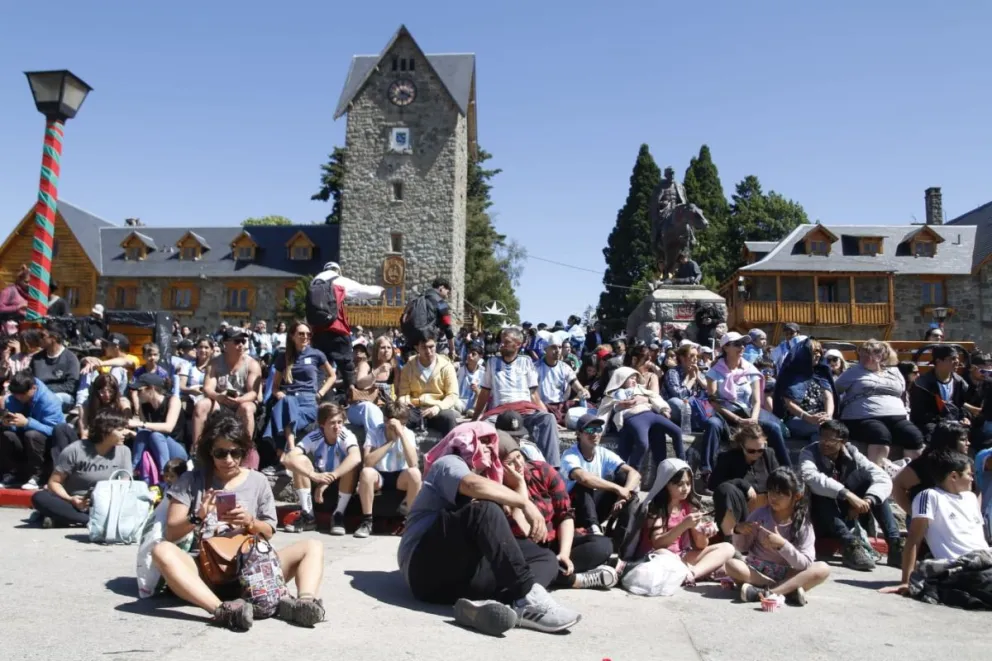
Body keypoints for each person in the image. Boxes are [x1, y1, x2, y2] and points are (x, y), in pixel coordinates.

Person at [399, 421, 581, 636]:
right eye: (481, 441)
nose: (488, 447)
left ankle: (498, 606)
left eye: (490, 442)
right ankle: (527, 598)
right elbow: (472, 486)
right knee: (483, 509)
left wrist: (520, 491)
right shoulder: (448, 462)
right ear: (463, 440)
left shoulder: (489, 478)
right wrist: (524, 503)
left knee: (544, 557)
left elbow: (519, 535)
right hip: (424, 569)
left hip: (457, 581)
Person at [150, 411, 326, 631]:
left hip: (254, 571)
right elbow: (172, 533)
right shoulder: (191, 480)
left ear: (244, 450)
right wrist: (198, 516)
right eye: (220, 453)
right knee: (162, 550)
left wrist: (250, 521)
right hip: (206, 572)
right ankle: (221, 610)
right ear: (209, 451)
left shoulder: (258, 481)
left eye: (236, 452)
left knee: (313, 546)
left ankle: (304, 603)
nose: (229, 460)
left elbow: (269, 531)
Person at [498, 432, 618, 589]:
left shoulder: (542, 471)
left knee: (602, 546)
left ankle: (556, 570)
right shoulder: (496, 489)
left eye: (519, 457)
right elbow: (523, 531)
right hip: (528, 552)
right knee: (520, 567)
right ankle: (572, 580)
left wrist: (564, 553)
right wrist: (520, 488)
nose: (519, 465)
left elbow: (565, 514)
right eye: (510, 463)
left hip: (554, 541)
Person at [882, 451, 990, 597]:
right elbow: (914, 540)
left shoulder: (971, 498)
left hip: (986, 560)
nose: (972, 479)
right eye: (969, 474)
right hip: (961, 567)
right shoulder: (930, 496)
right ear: (953, 476)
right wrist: (906, 581)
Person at [799, 420, 901, 571]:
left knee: (870, 482)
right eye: (822, 437)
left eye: (830, 439)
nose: (824, 443)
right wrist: (849, 496)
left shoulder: (852, 453)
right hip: (824, 516)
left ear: (843, 442)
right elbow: (811, 477)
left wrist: (867, 501)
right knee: (820, 490)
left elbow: (881, 477)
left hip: (850, 513)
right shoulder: (809, 452)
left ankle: (895, 544)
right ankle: (850, 545)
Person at [724, 467, 831, 606]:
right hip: (758, 571)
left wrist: (782, 545)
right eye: (771, 491)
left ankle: (766, 593)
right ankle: (788, 589)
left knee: (823, 568)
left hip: (787, 572)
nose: (773, 497)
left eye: (780, 493)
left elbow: (805, 564)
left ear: (796, 496)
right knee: (732, 565)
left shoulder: (803, 524)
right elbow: (742, 547)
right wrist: (739, 531)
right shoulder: (760, 515)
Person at [472, 327, 563, 468]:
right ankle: (485, 469)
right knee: (482, 428)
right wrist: (475, 418)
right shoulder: (491, 362)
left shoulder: (526, 362)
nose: (501, 344)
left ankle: (551, 470)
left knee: (548, 419)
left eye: (506, 342)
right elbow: (484, 393)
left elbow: (534, 394)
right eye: (501, 341)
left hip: (525, 411)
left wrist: (546, 414)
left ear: (518, 344)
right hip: (499, 413)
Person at [701, 332, 790, 476]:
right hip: (725, 414)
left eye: (743, 343)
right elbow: (714, 403)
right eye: (737, 344)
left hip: (748, 414)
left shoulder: (750, 370)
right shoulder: (714, 372)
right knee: (712, 425)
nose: (741, 347)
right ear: (725, 348)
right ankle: (707, 471)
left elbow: (756, 400)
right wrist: (737, 420)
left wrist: (753, 419)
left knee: (773, 428)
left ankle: (786, 471)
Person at [637, 458, 736, 584]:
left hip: (683, 556)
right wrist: (683, 525)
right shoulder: (656, 508)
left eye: (688, 483)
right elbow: (658, 544)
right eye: (680, 484)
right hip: (659, 556)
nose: (685, 488)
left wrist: (704, 534)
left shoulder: (689, 506)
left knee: (728, 548)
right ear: (666, 484)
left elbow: (701, 545)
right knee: (663, 553)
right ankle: (699, 571)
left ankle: (692, 574)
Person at [30, 408, 132, 528]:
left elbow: (126, 485)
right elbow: (54, 483)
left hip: (106, 503)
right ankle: (90, 521)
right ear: (105, 431)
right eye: (120, 430)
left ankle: (62, 518)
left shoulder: (124, 451)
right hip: (75, 503)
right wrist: (71, 499)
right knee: (40, 497)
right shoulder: (75, 450)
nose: (125, 433)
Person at [280, 403, 366, 536]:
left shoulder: (346, 435)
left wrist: (329, 479)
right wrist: (312, 475)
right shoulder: (315, 436)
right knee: (300, 460)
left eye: (340, 422)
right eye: (332, 423)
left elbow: (356, 458)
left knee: (350, 465)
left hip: (340, 486)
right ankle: (308, 516)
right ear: (322, 424)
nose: (337, 427)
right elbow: (287, 459)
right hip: (317, 484)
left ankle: (338, 516)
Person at [835, 339, 924, 464]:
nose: (863, 358)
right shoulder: (853, 372)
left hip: (897, 417)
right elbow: (834, 390)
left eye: (868, 354)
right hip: (862, 417)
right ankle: (876, 475)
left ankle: (912, 477)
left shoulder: (894, 372)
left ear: (880, 356)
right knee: (879, 433)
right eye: (862, 354)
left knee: (913, 435)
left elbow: (902, 392)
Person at [560, 413, 641, 535]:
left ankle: (622, 535)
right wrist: (617, 489)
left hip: (596, 509)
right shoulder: (570, 455)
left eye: (598, 429)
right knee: (582, 485)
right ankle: (594, 530)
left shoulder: (603, 453)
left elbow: (635, 473)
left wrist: (623, 494)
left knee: (625, 480)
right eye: (589, 430)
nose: (595, 434)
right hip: (573, 512)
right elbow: (583, 478)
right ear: (578, 433)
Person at [309, 262, 383, 394]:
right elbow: (361, 291)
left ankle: (317, 396)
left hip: (318, 331)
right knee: (346, 365)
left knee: (320, 367)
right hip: (337, 329)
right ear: (337, 271)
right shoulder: (337, 280)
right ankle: (352, 395)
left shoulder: (314, 283)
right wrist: (379, 290)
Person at [265, 321, 336, 455]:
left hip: (309, 399)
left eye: (308, 334)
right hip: (289, 398)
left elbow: (332, 375)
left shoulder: (316, 354)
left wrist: (321, 393)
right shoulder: (283, 357)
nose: (305, 337)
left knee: (283, 412)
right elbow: (275, 386)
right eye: (301, 334)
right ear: (292, 336)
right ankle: (290, 451)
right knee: (287, 402)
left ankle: (283, 455)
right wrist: (278, 393)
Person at [193, 326, 262, 453]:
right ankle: (197, 449)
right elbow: (207, 388)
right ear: (225, 344)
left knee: (246, 408)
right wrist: (219, 397)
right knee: (201, 405)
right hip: (220, 401)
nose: (241, 344)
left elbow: (253, 393)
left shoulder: (252, 364)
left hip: (243, 401)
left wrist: (239, 399)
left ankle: (246, 450)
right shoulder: (214, 363)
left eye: (243, 341)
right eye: (237, 341)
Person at [599, 366, 683, 469]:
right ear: (621, 380)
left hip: (651, 414)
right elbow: (604, 411)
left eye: (635, 378)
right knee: (643, 444)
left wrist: (663, 408)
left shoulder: (641, 390)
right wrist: (599, 429)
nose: (634, 381)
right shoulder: (613, 395)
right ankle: (633, 473)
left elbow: (655, 397)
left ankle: (682, 464)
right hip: (634, 417)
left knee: (677, 431)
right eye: (631, 378)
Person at [357, 400, 422, 526]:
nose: (398, 427)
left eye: (402, 424)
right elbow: (367, 462)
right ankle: (367, 521)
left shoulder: (408, 433)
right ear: (385, 420)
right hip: (379, 476)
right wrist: (390, 441)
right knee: (366, 473)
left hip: (400, 476)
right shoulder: (374, 432)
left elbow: (413, 463)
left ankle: (409, 521)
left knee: (415, 473)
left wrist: (401, 435)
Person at [0, 370, 68, 490]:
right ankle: (12, 474)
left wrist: (27, 423)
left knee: (32, 434)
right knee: (7, 434)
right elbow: (14, 429)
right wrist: (8, 423)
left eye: (22, 394)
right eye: (16, 394)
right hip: (24, 440)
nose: (19, 397)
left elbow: (55, 431)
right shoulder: (13, 398)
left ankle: (38, 476)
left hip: (47, 444)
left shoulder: (50, 401)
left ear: (33, 388)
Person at [709, 425, 780, 536]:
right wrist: (742, 484)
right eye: (751, 451)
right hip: (740, 511)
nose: (756, 454)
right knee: (726, 489)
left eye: (760, 450)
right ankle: (730, 536)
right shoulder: (728, 458)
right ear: (742, 445)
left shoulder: (768, 455)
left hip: (766, 509)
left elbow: (779, 477)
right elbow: (713, 483)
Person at [891, 421, 971, 516]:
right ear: (949, 441)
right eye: (963, 440)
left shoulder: (964, 462)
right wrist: (914, 514)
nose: (968, 443)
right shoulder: (926, 463)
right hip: (927, 521)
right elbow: (898, 485)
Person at [396, 331, 459, 436]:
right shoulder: (408, 367)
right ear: (417, 348)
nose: (428, 351)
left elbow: (453, 395)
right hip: (414, 408)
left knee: (449, 418)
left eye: (431, 347)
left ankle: (450, 450)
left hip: (437, 407)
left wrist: (438, 407)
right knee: (398, 419)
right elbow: (403, 393)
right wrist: (405, 402)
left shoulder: (447, 367)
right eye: (424, 347)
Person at [129, 373, 189, 481]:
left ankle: (164, 474)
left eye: (139, 390)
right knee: (143, 434)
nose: (137, 394)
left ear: (151, 389)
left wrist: (140, 424)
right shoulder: (144, 406)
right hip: (157, 448)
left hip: (178, 450)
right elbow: (145, 433)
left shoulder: (173, 400)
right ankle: (133, 471)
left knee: (156, 435)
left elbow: (168, 427)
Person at [775, 338, 835, 441]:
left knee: (822, 434)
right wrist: (808, 417)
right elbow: (789, 403)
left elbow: (828, 397)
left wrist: (828, 416)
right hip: (797, 418)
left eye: (820, 352)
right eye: (814, 352)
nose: (819, 355)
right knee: (824, 429)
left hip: (821, 419)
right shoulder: (791, 374)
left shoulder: (821, 373)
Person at [909, 345, 969, 441]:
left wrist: (964, 418)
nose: (957, 361)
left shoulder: (960, 382)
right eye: (952, 358)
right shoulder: (922, 384)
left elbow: (960, 406)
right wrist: (945, 422)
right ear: (938, 361)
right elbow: (920, 415)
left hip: (954, 421)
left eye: (957, 358)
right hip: (932, 423)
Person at [537, 338, 590, 425]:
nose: (558, 351)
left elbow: (576, 385)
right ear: (545, 349)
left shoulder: (564, 367)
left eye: (560, 347)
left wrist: (583, 391)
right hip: (543, 406)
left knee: (589, 407)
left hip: (561, 405)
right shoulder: (535, 367)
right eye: (553, 347)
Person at [31, 323, 79, 410]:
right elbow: (29, 378)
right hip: (38, 394)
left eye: (42, 336)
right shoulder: (36, 358)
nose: (39, 339)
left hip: (62, 395)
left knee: (52, 399)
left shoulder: (70, 358)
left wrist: (44, 391)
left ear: (54, 338)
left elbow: (71, 386)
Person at [663, 342, 707, 432]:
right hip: (679, 407)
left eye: (697, 356)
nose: (695, 359)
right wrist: (691, 379)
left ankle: (699, 422)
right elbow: (678, 395)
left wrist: (697, 377)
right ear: (682, 358)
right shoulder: (673, 372)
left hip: (694, 406)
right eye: (692, 356)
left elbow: (707, 389)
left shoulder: (696, 371)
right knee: (675, 402)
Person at [78, 373, 131, 440]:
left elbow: (126, 424)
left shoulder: (122, 402)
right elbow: (84, 433)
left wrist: (126, 408)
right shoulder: (85, 406)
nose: (107, 395)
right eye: (102, 392)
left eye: (111, 391)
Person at [457, 342, 486, 416]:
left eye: (473, 354)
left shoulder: (483, 372)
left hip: (475, 403)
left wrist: (477, 391)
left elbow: (486, 393)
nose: (469, 356)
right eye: (468, 353)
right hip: (460, 401)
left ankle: (473, 412)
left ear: (480, 356)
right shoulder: (459, 368)